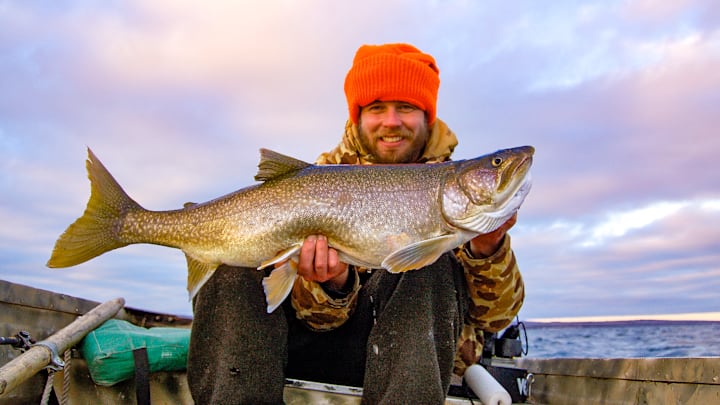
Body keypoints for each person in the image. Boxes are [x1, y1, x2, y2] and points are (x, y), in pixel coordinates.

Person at [187, 43, 525, 404]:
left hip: (417, 368)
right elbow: (313, 318)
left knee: (428, 267)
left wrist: (487, 249)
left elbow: (495, 319)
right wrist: (332, 285)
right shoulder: (317, 180)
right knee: (232, 268)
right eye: (377, 107)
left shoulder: (455, 190)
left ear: (426, 115)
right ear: (358, 115)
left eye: (406, 107)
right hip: (313, 346)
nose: (391, 122)